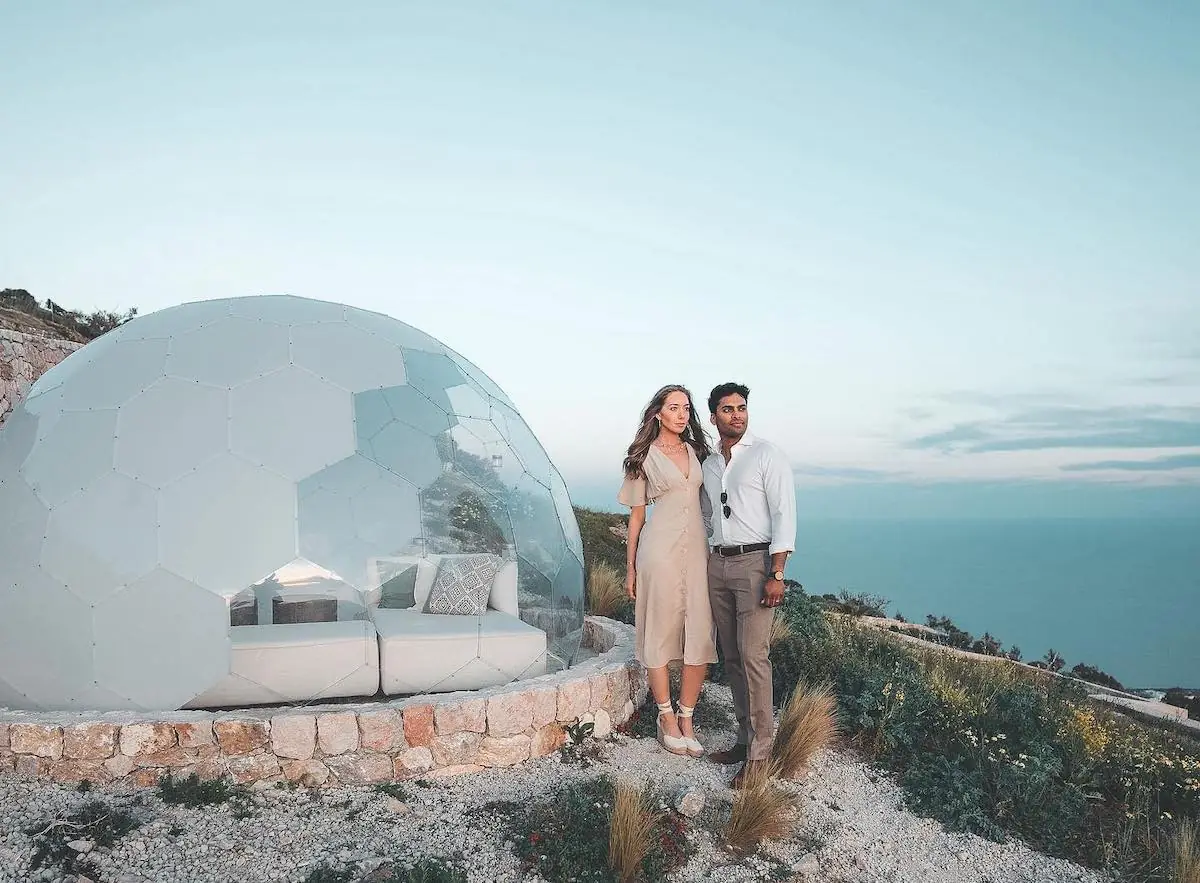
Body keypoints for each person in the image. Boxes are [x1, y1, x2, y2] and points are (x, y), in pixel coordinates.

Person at [701, 382, 796, 787]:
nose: (737, 415)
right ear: (713, 416)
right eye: (727, 409)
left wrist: (777, 573)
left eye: (742, 408)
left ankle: (760, 756)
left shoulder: (766, 454)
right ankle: (744, 739)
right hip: (718, 564)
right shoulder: (708, 464)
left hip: (757, 564)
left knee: (755, 657)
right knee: (733, 657)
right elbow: (707, 514)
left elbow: (784, 515)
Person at [618, 384, 716, 757]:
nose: (681, 414)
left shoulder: (698, 452)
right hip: (658, 551)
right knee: (658, 628)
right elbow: (637, 516)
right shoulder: (642, 456)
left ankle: (687, 715)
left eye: (686, 408)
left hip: (697, 553)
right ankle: (665, 717)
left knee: (700, 630)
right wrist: (630, 569)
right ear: (658, 412)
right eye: (673, 407)